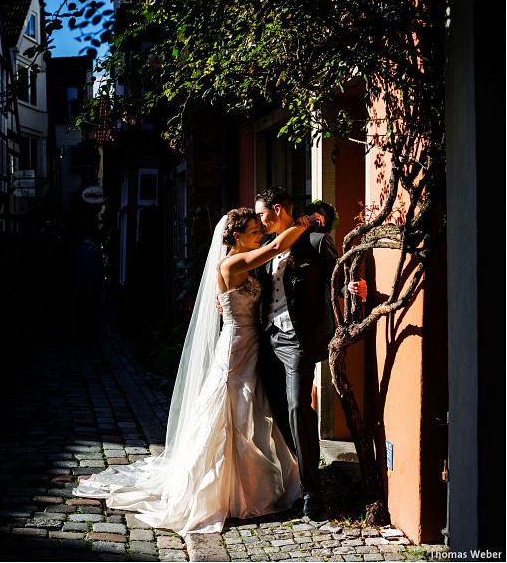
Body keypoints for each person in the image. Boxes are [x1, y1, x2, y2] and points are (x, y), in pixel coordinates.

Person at [74, 208, 324, 535]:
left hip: (252, 345)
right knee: (230, 412)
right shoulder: (232, 264)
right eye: (252, 232)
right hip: (235, 348)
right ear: (235, 237)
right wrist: (302, 224)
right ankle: (226, 490)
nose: (259, 235)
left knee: (251, 412)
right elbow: (275, 249)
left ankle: (253, 482)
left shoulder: (248, 263)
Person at [253, 187, 367, 520]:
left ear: (277, 210)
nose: (259, 222)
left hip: (297, 341)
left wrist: (353, 288)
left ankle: (312, 493)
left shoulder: (315, 242)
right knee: (271, 408)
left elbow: (339, 278)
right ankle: (287, 478)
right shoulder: (264, 247)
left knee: (297, 407)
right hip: (266, 339)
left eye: (262, 214)